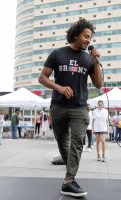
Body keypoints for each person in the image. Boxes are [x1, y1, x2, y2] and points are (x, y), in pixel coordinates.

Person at [38, 18, 102, 197]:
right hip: (58, 106)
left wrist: (96, 61)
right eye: (86, 36)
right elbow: (42, 78)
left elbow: (98, 84)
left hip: (80, 107)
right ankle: (71, 175)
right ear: (76, 34)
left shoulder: (89, 59)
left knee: (77, 142)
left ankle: (68, 181)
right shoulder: (57, 54)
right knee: (62, 143)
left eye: (90, 38)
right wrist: (59, 88)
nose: (89, 40)